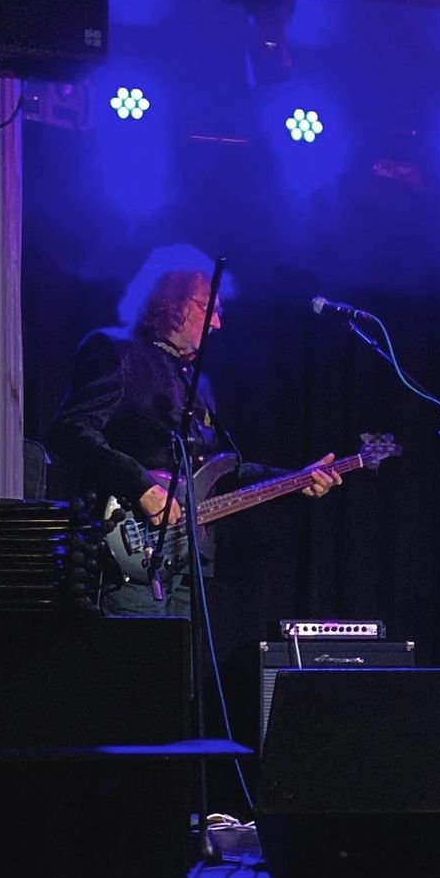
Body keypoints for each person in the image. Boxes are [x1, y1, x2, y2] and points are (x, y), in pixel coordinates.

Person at [49, 248, 341, 617]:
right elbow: (70, 430)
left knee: (182, 655)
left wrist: (297, 480)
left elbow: (224, 473)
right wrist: (140, 486)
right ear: (172, 300)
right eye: (209, 308)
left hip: (187, 563)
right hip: (127, 556)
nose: (217, 323)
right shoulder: (118, 352)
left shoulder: (196, 382)